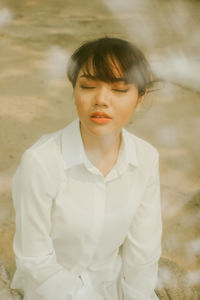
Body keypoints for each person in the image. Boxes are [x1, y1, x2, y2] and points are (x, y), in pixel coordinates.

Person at [11, 37, 162, 300]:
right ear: (74, 91)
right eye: (88, 86)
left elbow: (143, 252)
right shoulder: (41, 161)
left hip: (112, 286)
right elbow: (34, 259)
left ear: (140, 98)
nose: (101, 100)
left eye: (119, 89)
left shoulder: (146, 158)